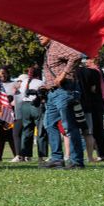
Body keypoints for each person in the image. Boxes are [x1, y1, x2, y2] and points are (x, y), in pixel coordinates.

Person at [39, 36, 85, 169]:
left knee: (69, 126)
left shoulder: (57, 44)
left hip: (65, 91)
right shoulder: (48, 50)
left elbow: (76, 55)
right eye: (37, 34)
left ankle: (76, 161)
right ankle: (57, 158)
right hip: (53, 92)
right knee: (49, 124)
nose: (38, 36)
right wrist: (46, 86)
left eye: (41, 33)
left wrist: (63, 74)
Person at [14, 66, 44, 163]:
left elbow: (20, 94)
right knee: (40, 131)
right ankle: (41, 156)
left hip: (25, 106)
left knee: (26, 131)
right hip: (36, 106)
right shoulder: (40, 82)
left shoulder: (23, 83)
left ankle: (25, 155)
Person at [0, 66, 18, 162]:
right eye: (1, 72)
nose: (3, 75)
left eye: (4, 73)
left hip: (10, 113)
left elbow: (18, 96)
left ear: (8, 73)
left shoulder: (14, 84)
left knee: (11, 135)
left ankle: (16, 155)